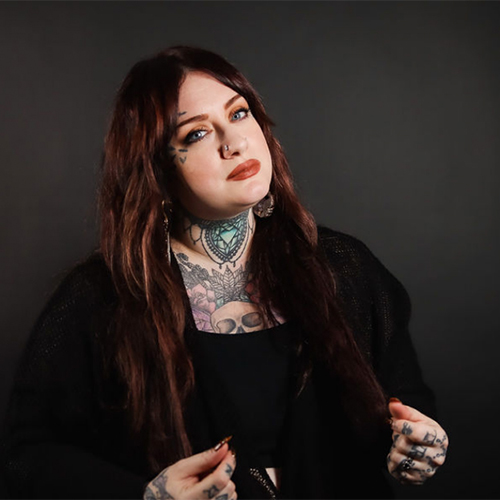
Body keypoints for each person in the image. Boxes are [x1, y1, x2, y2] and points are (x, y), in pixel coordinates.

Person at [0, 46, 448, 499]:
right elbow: (26, 456)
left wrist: (419, 441)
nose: (233, 142)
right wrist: (144, 496)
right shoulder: (102, 297)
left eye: (239, 113)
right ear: (157, 170)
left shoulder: (344, 268)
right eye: (196, 134)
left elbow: (405, 401)